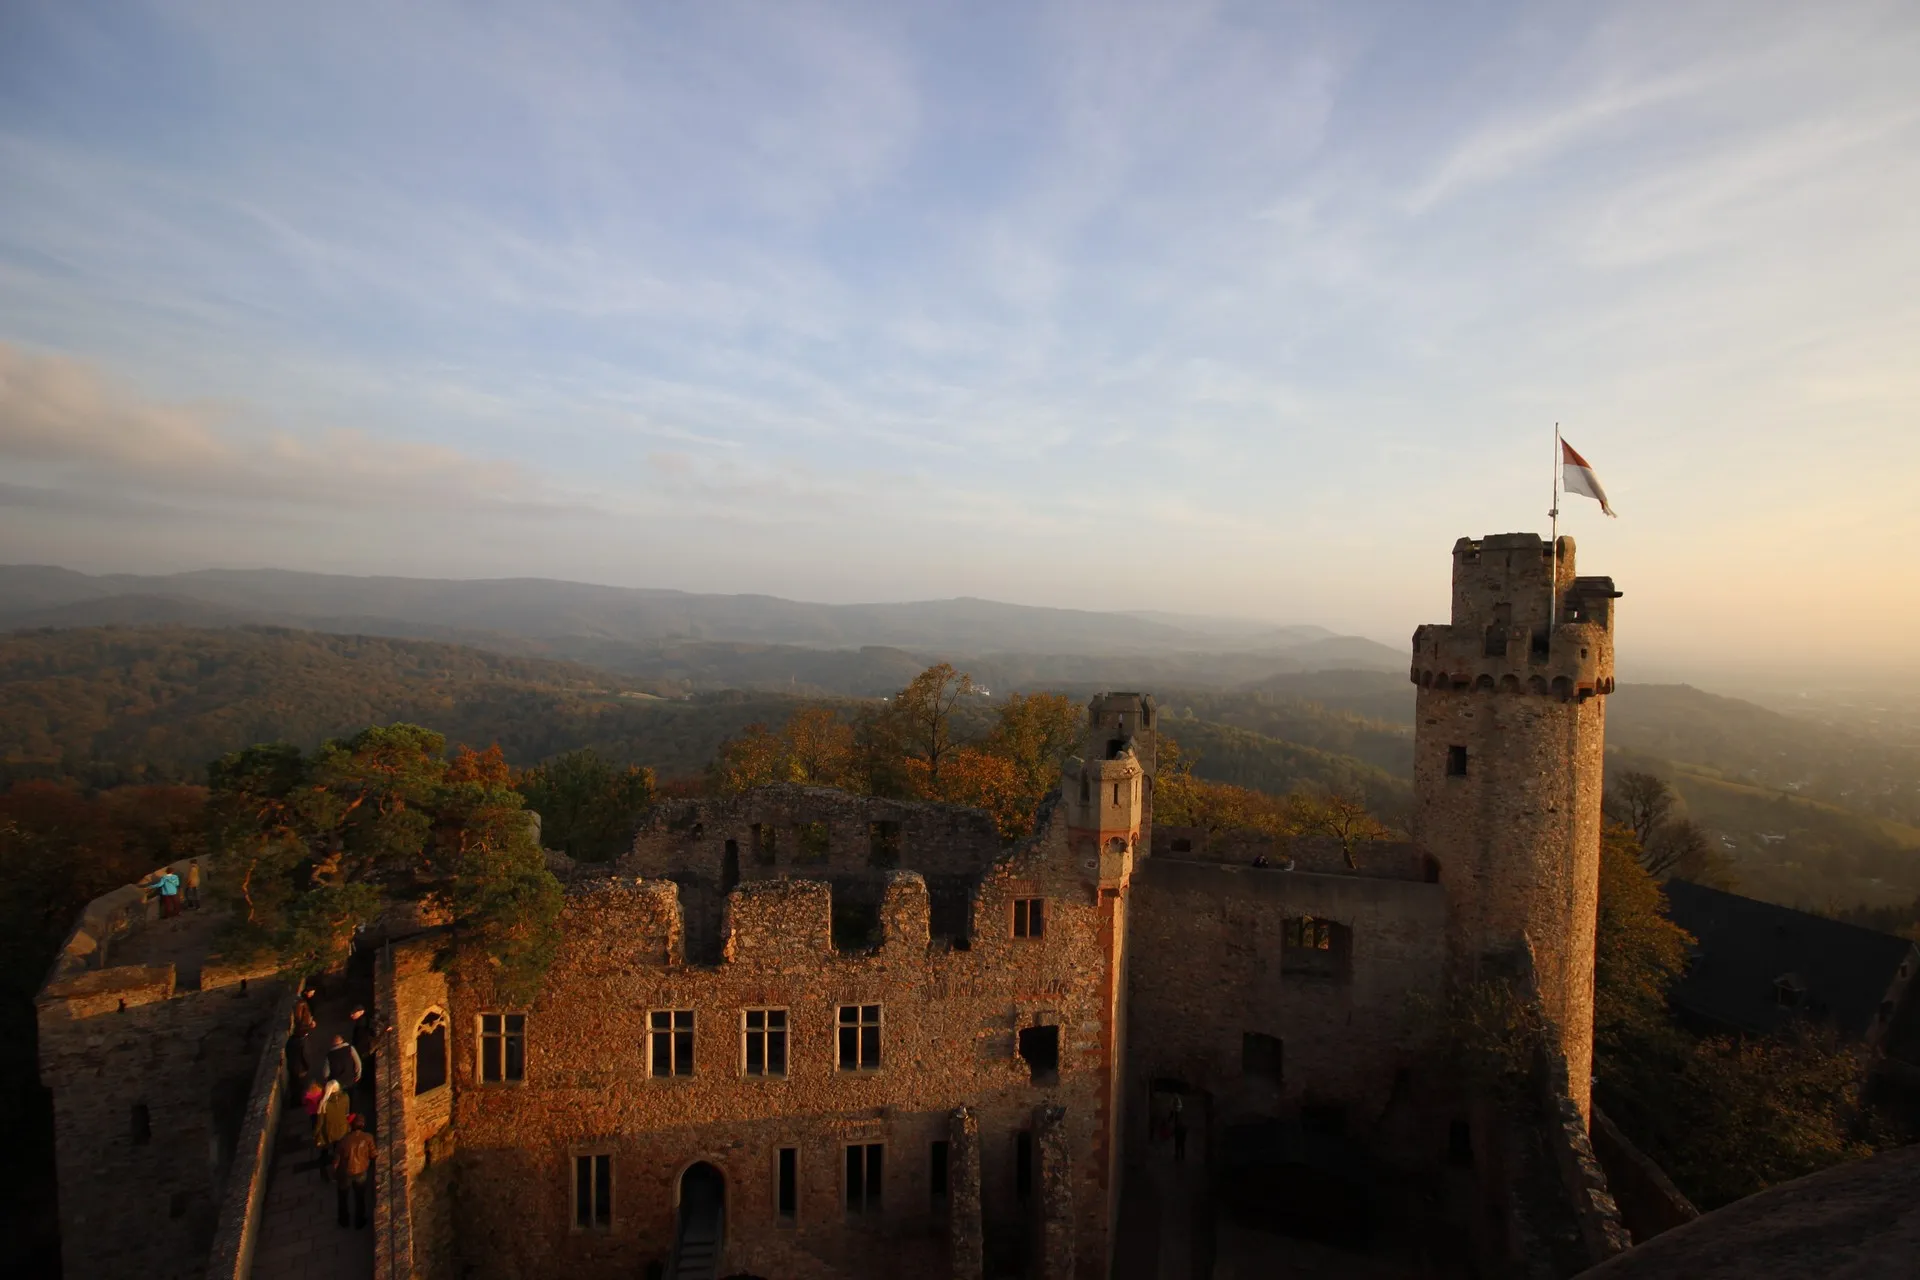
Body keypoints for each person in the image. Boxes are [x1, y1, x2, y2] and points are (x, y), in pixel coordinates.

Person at [332, 1114, 376, 1229]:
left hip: (345, 1172)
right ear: (363, 1125)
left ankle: (344, 1220)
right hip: (361, 1171)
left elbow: (336, 1161)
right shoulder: (368, 1138)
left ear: (351, 1126)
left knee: (343, 1197)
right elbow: (373, 1154)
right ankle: (359, 1221)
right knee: (360, 1197)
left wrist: (334, 1174)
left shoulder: (343, 1141)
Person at [314, 1080, 351, 1178]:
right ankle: (341, 1171)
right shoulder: (345, 1097)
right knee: (340, 1153)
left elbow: (320, 1123)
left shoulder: (323, 1104)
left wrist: (316, 1134)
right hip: (342, 1130)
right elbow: (347, 1113)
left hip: (329, 1132)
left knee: (326, 1153)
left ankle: (327, 1173)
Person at [285, 1028, 309, 1098]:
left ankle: (293, 1101)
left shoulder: (290, 1040)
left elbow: (287, 1052)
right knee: (300, 1087)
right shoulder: (302, 1044)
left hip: (291, 1067)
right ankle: (299, 1101)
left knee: (293, 1085)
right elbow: (305, 1057)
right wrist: (307, 1067)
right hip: (300, 1069)